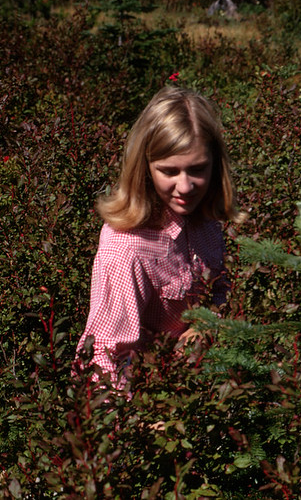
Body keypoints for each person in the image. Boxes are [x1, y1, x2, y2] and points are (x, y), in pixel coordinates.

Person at [75, 86, 244, 387]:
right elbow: (103, 354)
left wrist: (208, 323)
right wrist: (137, 425)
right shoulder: (126, 247)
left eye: (197, 169)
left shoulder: (205, 220)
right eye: (169, 171)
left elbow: (222, 291)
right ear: (145, 168)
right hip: (145, 402)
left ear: (215, 164)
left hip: (202, 384)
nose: (186, 187)